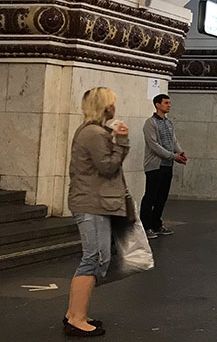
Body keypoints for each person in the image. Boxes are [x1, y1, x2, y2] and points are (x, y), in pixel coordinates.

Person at [64, 88, 130, 337]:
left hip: (94, 201)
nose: (115, 107)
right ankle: (76, 318)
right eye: (112, 103)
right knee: (94, 258)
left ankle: (75, 312)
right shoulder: (93, 133)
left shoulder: (93, 131)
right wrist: (121, 142)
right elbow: (107, 166)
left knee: (97, 257)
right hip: (91, 203)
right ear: (105, 106)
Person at [141, 94, 186, 240]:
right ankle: (146, 226)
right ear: (157, 104)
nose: (169, 105)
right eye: (166, 103)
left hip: (167, 165)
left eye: (169, 103)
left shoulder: (168, 123)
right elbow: (153, 145)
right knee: (150, 196)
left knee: (162, 197)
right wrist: (173, 156)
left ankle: (156, 224)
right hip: (155, 166)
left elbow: (173, 140)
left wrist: (179, 153)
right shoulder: (150, 123)